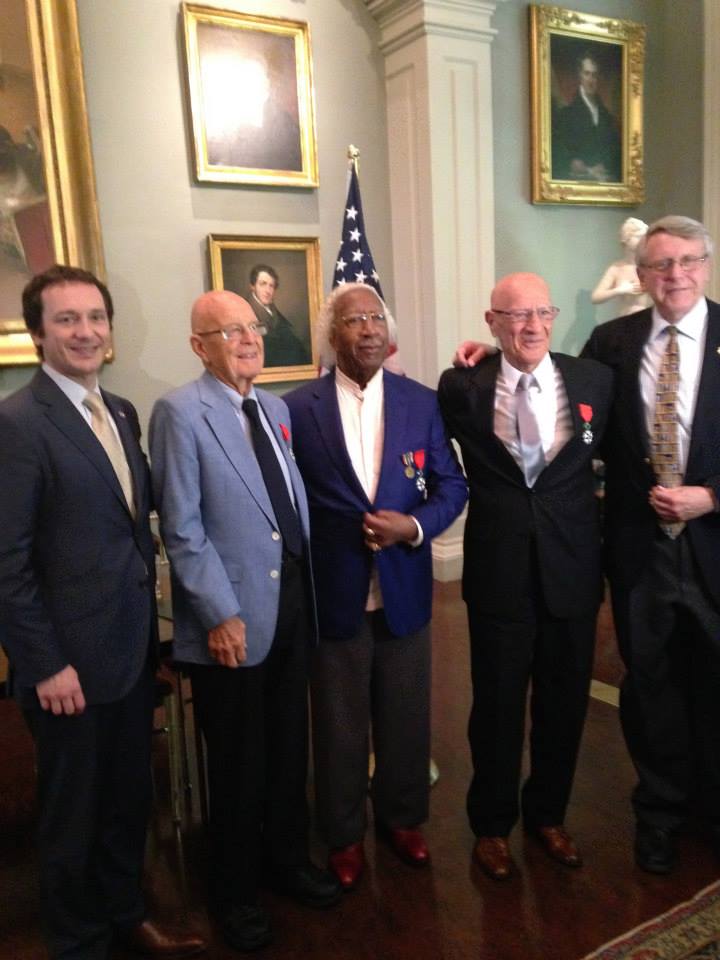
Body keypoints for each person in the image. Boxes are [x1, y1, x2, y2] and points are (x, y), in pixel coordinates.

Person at [0, 265, 205, 959]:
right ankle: (79, 941)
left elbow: (126, 526)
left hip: (127, 652)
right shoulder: (18, 424)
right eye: (66, 319)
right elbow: (8, 563)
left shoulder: (118, 411)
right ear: (37, 335)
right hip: (66, 670)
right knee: (71, 816)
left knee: (125, 801)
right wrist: (45, 664)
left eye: (95, 317)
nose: (85, 331)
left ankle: (126, 915)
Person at [149, 290, 340, 952]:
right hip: (228, 619)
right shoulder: (180, 412)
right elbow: (182, 527)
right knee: (238, 765)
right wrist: (220, 614)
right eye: (229, 331)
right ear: (200, 345)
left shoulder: (276, 407)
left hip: (291, 606)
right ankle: (233, 894)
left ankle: (285, 862)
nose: (248, 339)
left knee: (290, 751)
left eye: (251, 327)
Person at [284, 283, 467, 890]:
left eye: (376, 318)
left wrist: (412, 526)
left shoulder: (421, 401)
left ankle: (404, 819)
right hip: (333, 591)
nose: (367, 329)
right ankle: (342, 835)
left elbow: (452, 487)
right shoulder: (294, 408)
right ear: (332, 334)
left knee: (407, 715)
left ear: (389, 334)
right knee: (338, 724)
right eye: (353, 319)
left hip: (405, 590)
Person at [439, 273, 612, 881]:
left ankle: (549, 816)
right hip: (499, 574)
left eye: (542, 311)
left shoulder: (593, 379)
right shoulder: (462, 385)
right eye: (516, 316)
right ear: (491, 322)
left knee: (565, 706)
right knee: (496, 708)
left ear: (556, 314)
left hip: (572, 570)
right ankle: (491, 827)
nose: (532, 325)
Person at [582, 216, 720, 874]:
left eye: (687, 261)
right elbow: (564, 412)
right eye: (661, 265)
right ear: (641, 276)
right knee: (653, 686)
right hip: (641, 550)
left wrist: (712, 496)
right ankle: (661, 811)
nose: (675, 276)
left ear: (706, 265)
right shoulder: (611, 341)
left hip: (715, 542)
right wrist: (489, 357)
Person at [552, 53, 621, 182]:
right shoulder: (566, 115)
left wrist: (605, 165)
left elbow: (615, 154)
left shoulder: (606, 117)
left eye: (594, 75)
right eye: (587, 73)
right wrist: (583, 168)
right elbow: (560, 158)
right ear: (580, 76)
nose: (590, 80)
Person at [248, 264, 311, 367]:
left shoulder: (276, 314)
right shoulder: (245, 312)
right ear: (252, 286)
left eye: (271, 286)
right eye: (263, 284)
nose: (268, 291)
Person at [591, 217, 651, 317]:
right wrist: (619, 290)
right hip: (625, 322)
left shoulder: (652, 265)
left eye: (644, 237)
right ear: (626, 239)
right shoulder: (616, 268)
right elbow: (595, 297)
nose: (643, 241)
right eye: (638, 237)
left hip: (648, 321)